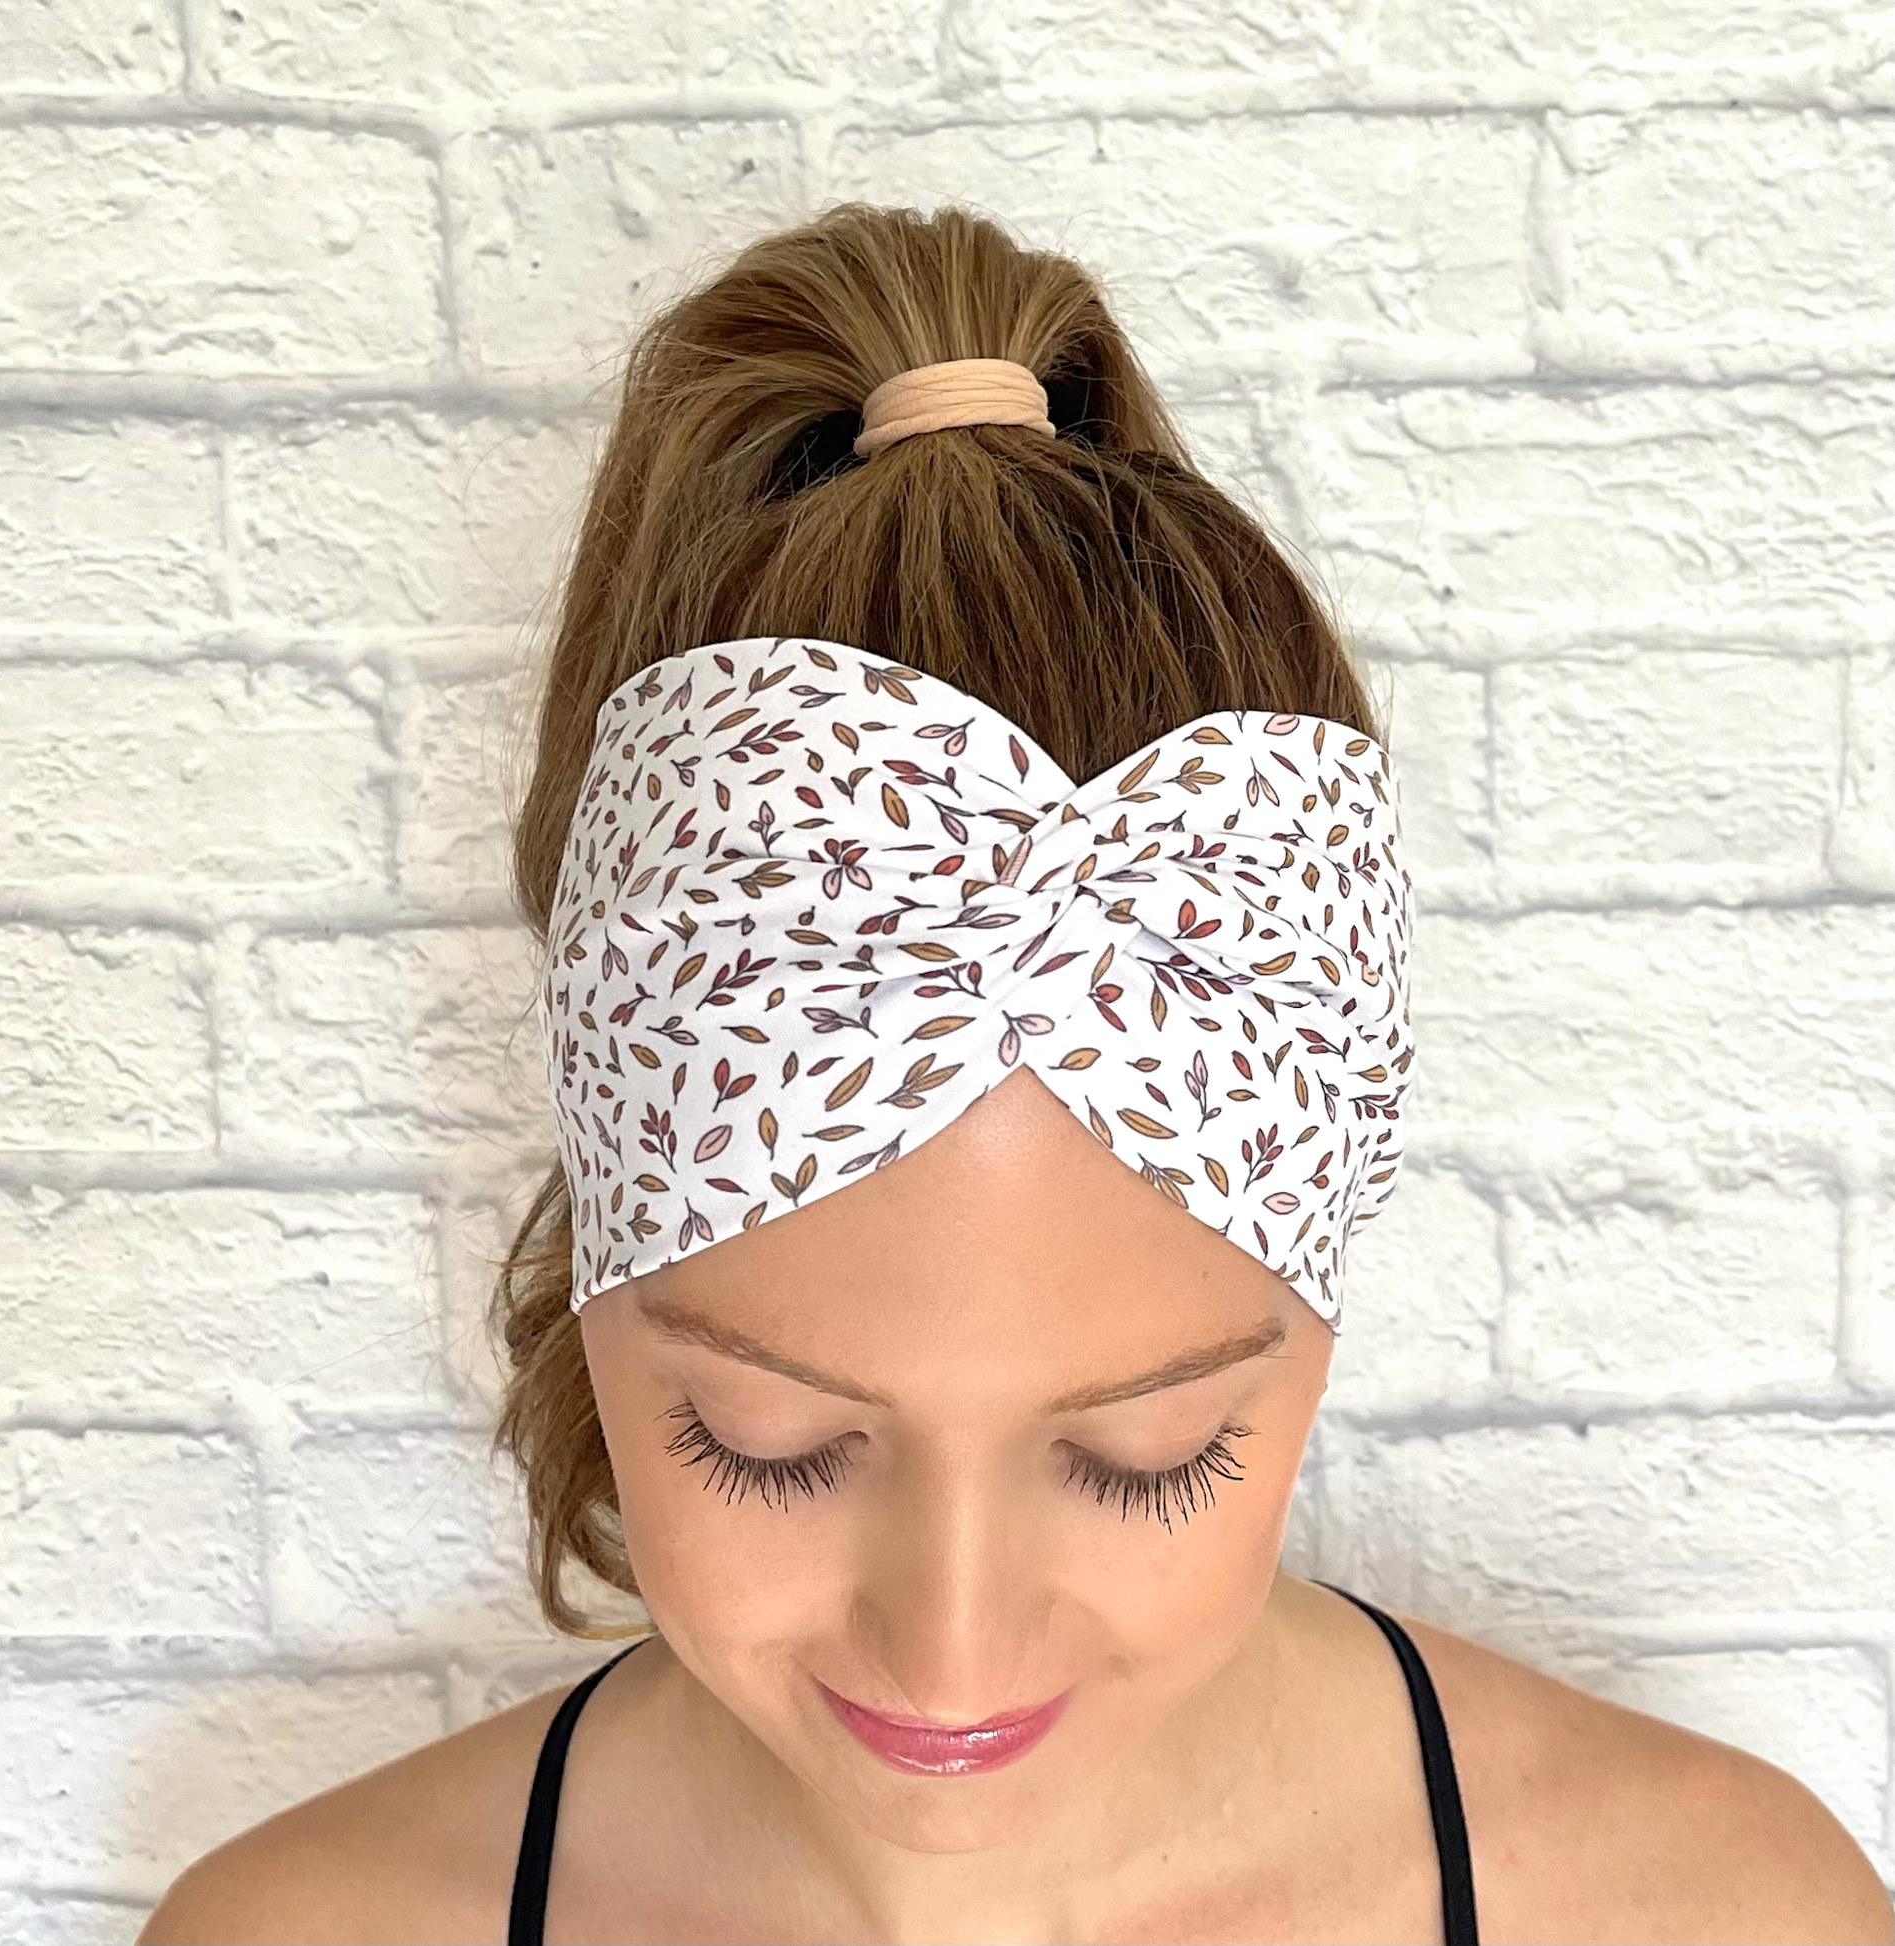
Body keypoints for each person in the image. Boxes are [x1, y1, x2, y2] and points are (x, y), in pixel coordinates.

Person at [139, 202, 1891, 1946]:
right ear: (599, 1265)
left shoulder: (1719, 1913)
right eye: (763, 1444)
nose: (947, 1653)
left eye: (1149, 1455)